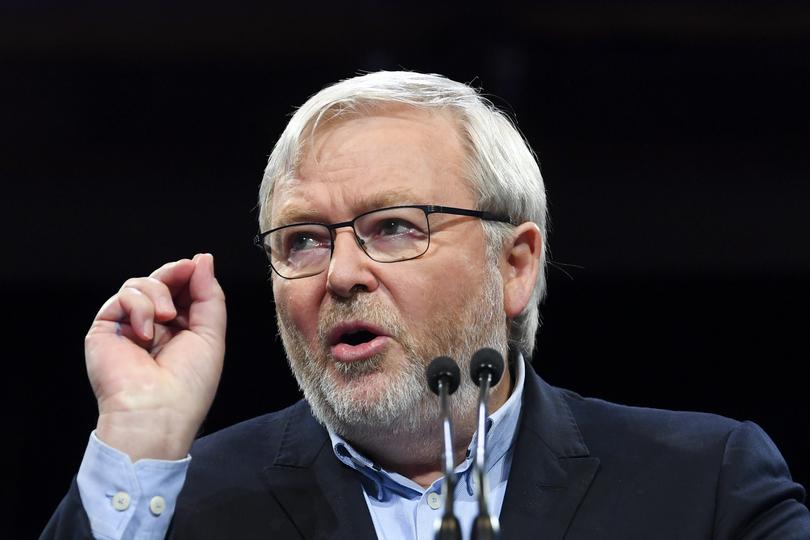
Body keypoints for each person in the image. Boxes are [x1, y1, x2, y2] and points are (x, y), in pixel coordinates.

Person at [43, 71, 809, 539]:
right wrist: (142, 435)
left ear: (514, 266)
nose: (340, 273)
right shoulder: (167, 505)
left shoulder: (704, 487)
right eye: (303, 240)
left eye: (394, 227)